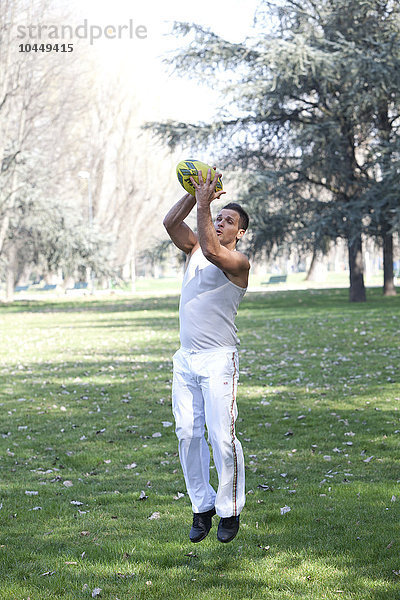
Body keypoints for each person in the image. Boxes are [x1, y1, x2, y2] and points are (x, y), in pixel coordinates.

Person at [163, 168, 250, 544]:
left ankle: (229, 510)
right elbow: (170, 223)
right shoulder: (195, 247)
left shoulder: (238, 263)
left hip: (218, 360)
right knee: (187, 434)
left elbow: (214, 250)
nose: (219, 221)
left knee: (222, 436)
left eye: (228, 221)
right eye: (217, 216)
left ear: (240, 233)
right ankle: (202, 506)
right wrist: (195, 193)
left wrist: (204, 202)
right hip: (186, 359)